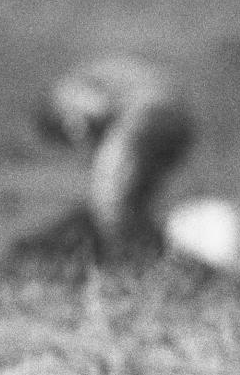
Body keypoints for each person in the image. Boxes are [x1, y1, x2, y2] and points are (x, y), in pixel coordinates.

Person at [30, 54, 195, 260]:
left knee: (108, 199)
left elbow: (95, 108)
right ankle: (150, 254)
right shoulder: (100, 74)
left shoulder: (63, 96)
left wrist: (79, 128)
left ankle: (122, 260)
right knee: (135, 201)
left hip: (143, 112)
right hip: (176, 120)